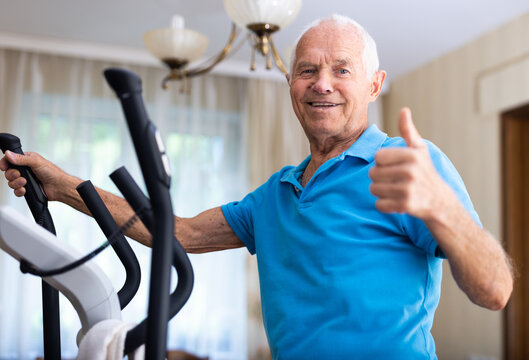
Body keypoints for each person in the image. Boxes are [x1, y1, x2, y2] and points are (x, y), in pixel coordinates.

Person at [0, 14, 513, 360]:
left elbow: (495, 291)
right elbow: (176, 233)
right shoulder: (275, 194)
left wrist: (445, 210)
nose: (322, 83)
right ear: (290, 85)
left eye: (342, 70)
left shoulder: (409, 165)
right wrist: (65, 185)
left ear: (374, 85)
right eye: (307, 70)